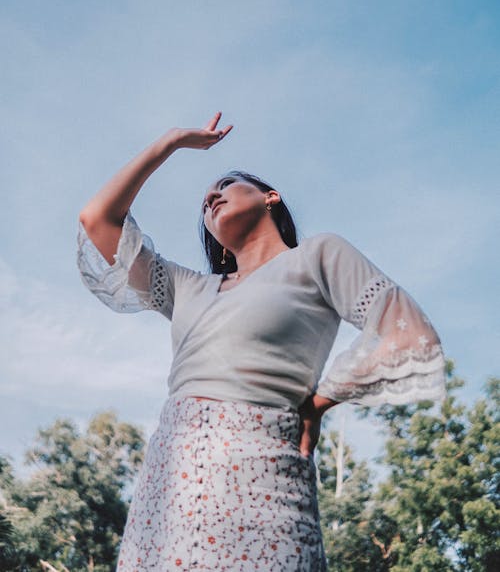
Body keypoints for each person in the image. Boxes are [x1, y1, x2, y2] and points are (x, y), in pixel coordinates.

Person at [77, 112, 445, 572]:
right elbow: (98, 219)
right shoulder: (187, 287)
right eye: (204, 200)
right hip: (168, 492)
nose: (211, 196)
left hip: (267, 476)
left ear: (271, 197)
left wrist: (321, 401)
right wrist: (170, 143)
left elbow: (408, 336)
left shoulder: (317, 255)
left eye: (226, 184)